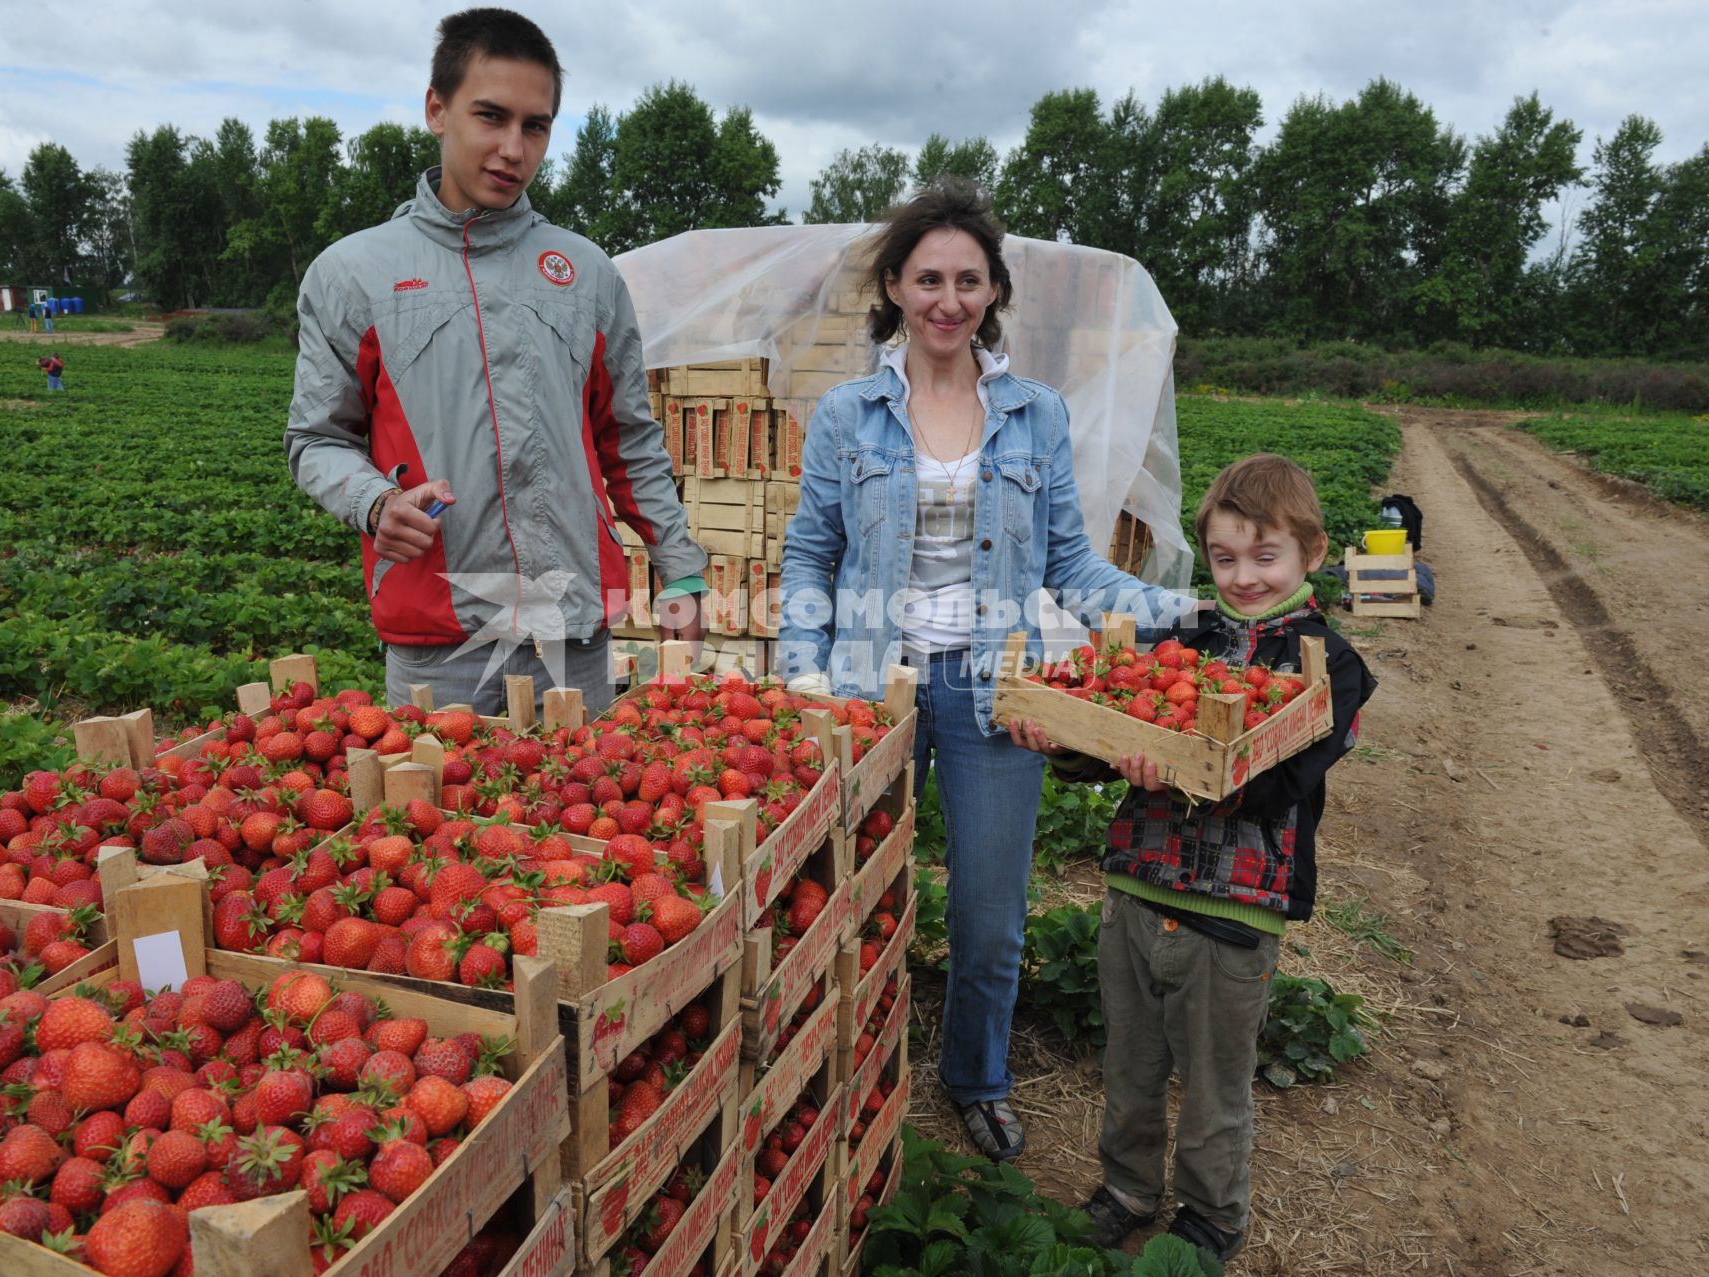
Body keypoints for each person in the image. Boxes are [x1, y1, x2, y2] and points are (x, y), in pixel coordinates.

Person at [777, 182, 1200, 1162]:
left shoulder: (1034, 415)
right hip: (866, 685)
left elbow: (1070, 564)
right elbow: (809, 553)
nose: (948, 298)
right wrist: (804, 676)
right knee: (848, 897)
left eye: (969, 279)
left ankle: (976, 1078)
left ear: (994, 290)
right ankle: (846, 1071)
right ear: (895, 284)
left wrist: (1177, 613)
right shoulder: (847, 414)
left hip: (992, 687)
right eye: (929, 277)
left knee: (992, 915)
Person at [286, 7, 706, 715]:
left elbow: (629, 439)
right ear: (436, 109)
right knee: (444, 823)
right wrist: (374, 502)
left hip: (575, 636)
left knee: (595, 819)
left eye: (535, 126)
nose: (513, 147)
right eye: (490, 116)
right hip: (439, 645)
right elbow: (316, 439)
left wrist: (683, 569)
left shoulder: (586, 273)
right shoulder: (353, 274)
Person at [1013, 453, 1377, 1263]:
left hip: (1234, 911)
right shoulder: (1185, 636)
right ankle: (1126, 1187)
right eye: (1224, 557)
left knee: (1215, 1081)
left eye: (1265, 555)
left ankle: (1212, 1214)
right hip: (1137, 885)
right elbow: (1112, 737)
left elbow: (1280, 784)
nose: (1243, 575)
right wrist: (1066, 738)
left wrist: (1180, 758)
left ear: (1311, 553)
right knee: (1131, 1059)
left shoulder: (1331, 667)